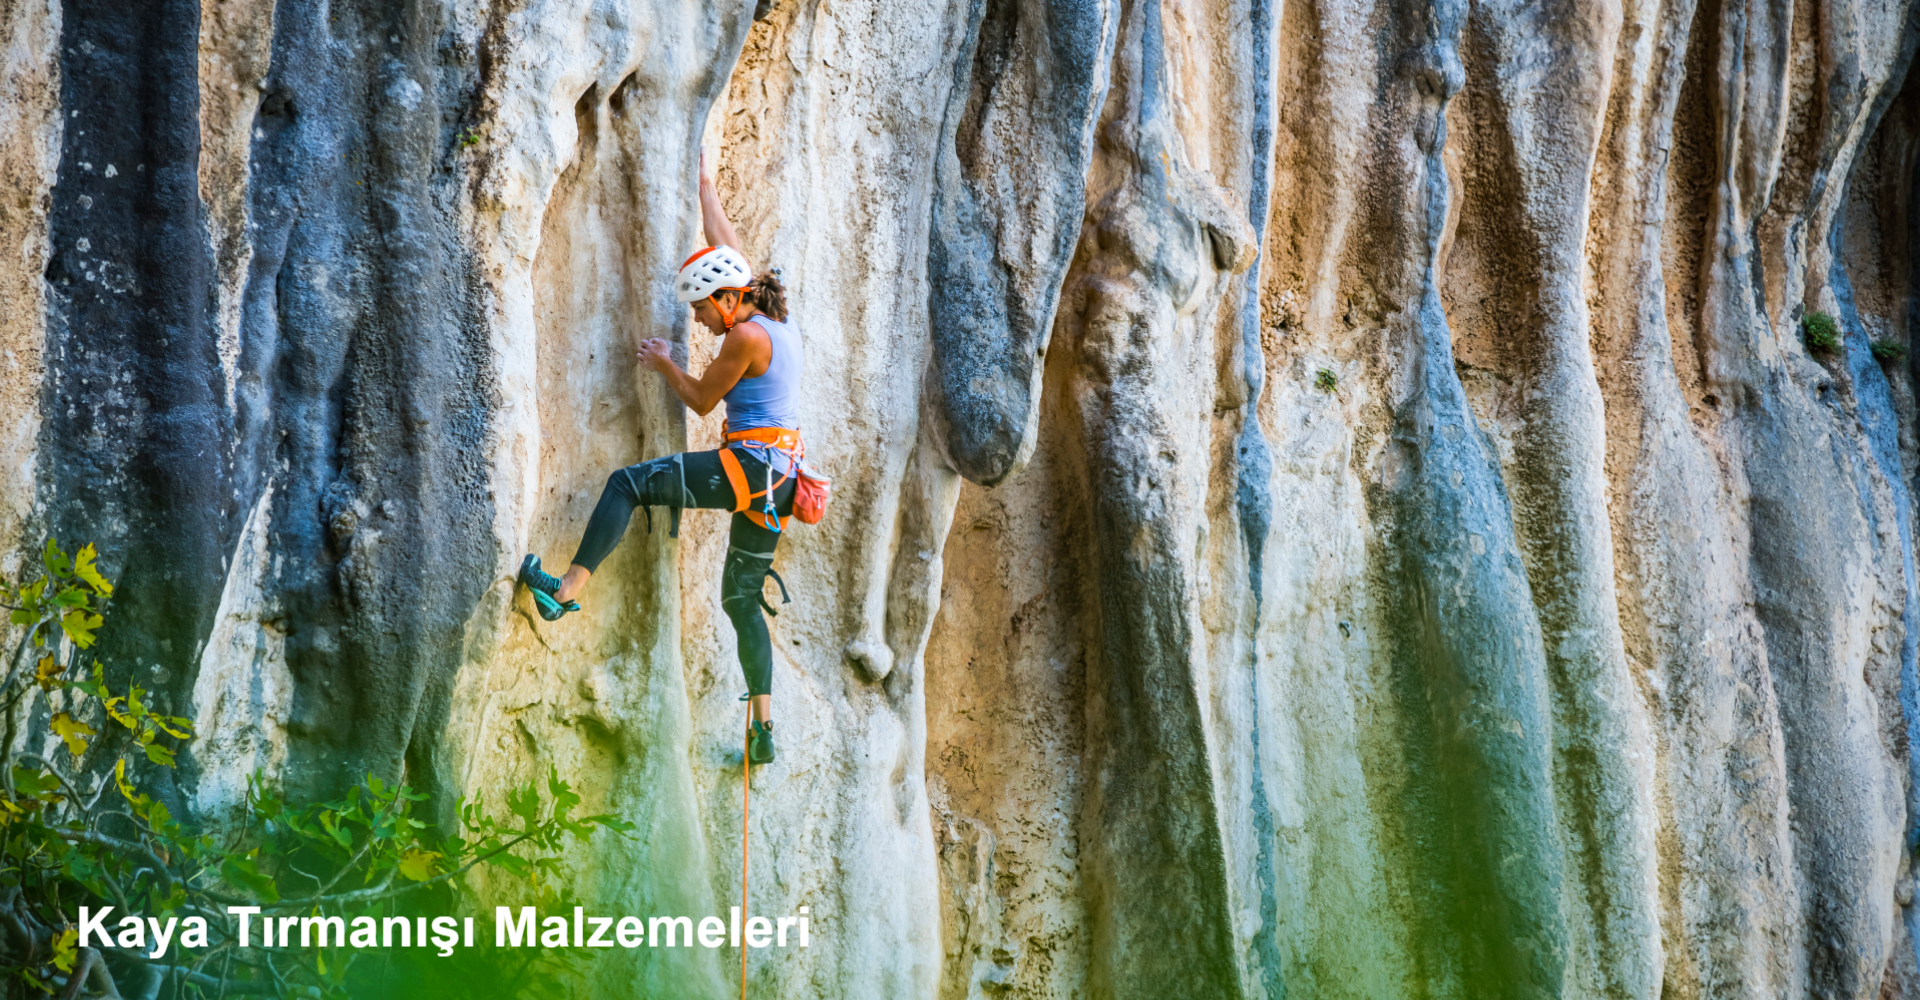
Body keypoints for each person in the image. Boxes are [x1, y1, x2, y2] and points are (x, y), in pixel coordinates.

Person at [518, 153, 801, 765]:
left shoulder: (745, 337)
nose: (699, 321)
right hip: (781, 480)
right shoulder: (772, 317)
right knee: (740, 598)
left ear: (727, 301)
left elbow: (701, 401)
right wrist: (704, 185)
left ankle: (565, 589)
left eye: (702, 309)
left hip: (749, 468)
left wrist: (664, 361)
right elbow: (729, 248)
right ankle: (763, 727)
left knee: (627, 484)